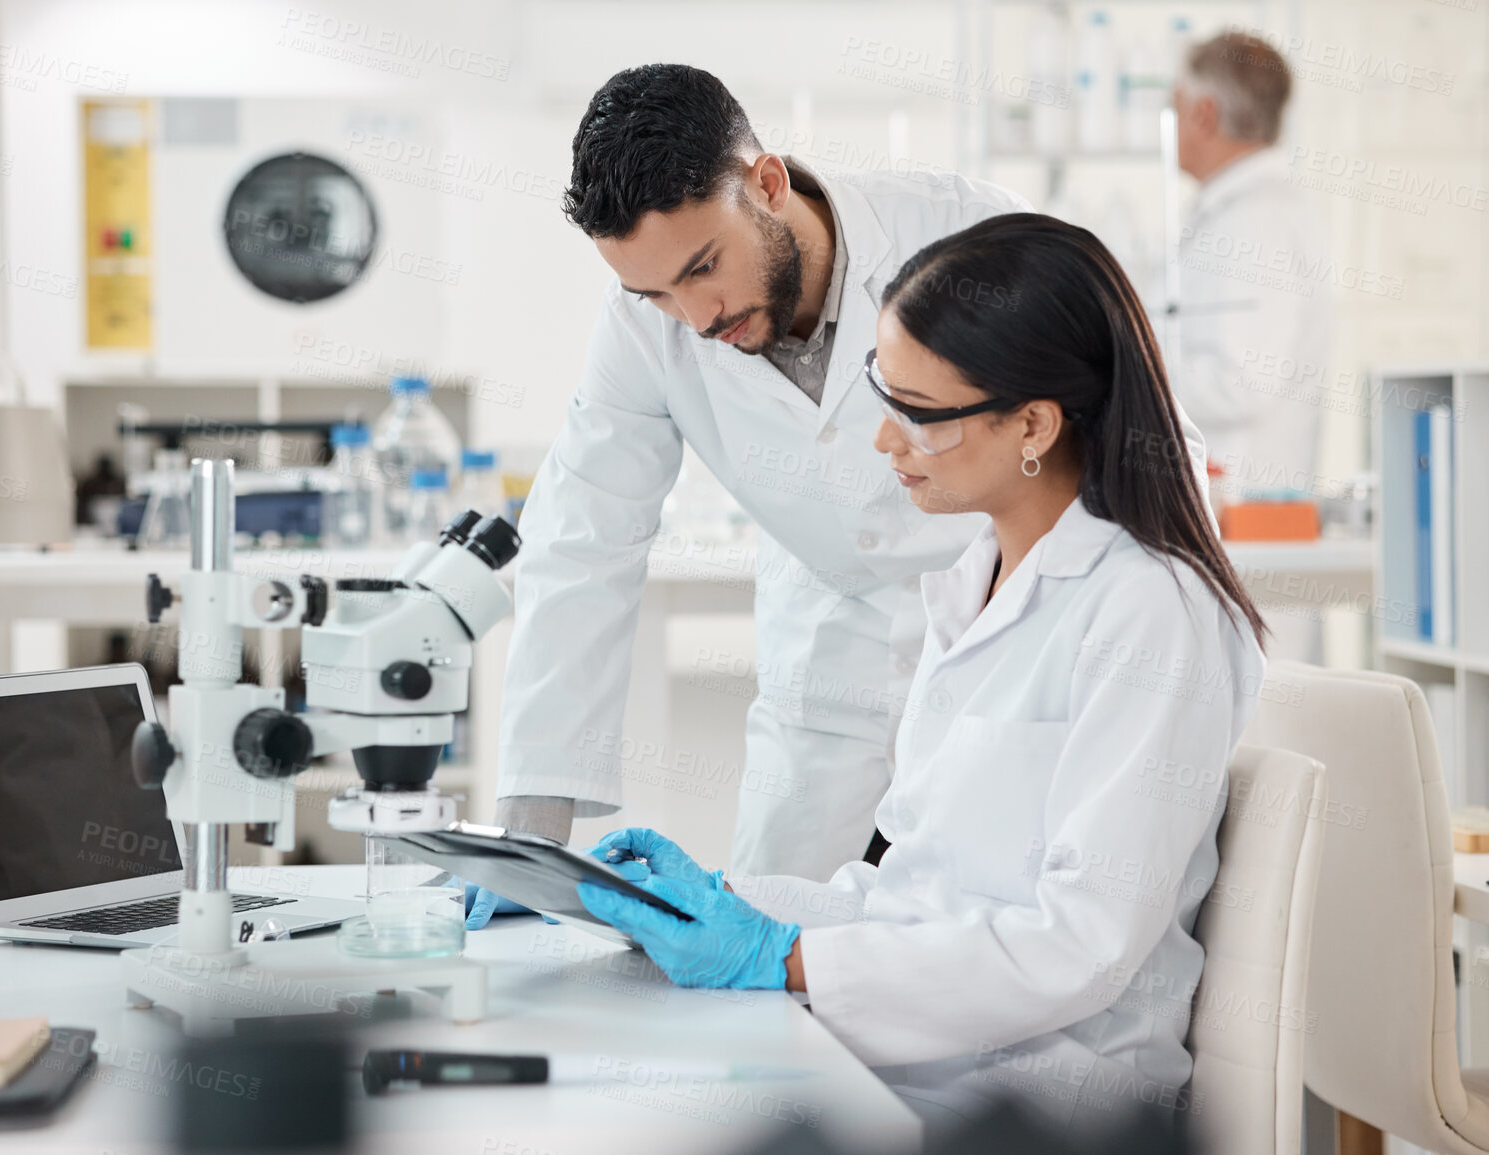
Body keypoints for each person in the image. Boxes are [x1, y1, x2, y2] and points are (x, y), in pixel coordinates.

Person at [576, 213, 1269, 1135]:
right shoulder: (969, 575)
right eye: (881, 393)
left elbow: (1081, 946)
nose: (883, 441)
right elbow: (905, 890)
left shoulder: (1153, 611)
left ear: (1032, 423)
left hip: (1049, 1093)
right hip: (926, 1052)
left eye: (919, 414)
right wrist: (719, 902)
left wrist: (785, 961)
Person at [476, 65, 1214, 924]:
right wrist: (527, 840)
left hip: (1014, 670)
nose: (695, 315)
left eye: (704, 266)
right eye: (655, 293)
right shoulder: (646, 324)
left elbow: (1150, 440)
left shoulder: (965, 235)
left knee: (1010, 948)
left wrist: (1121, 635)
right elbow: (582, 537)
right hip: (824, 695)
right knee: (776, 982)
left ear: (767, 182)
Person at [1171, 31, 1332, 494]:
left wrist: (1122, 368)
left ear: (1204, 114)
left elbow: (1240, 382)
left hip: (1241, 504)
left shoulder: (1256, 222)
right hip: (1223, 505)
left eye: (1176, 106)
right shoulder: (1240, 211)